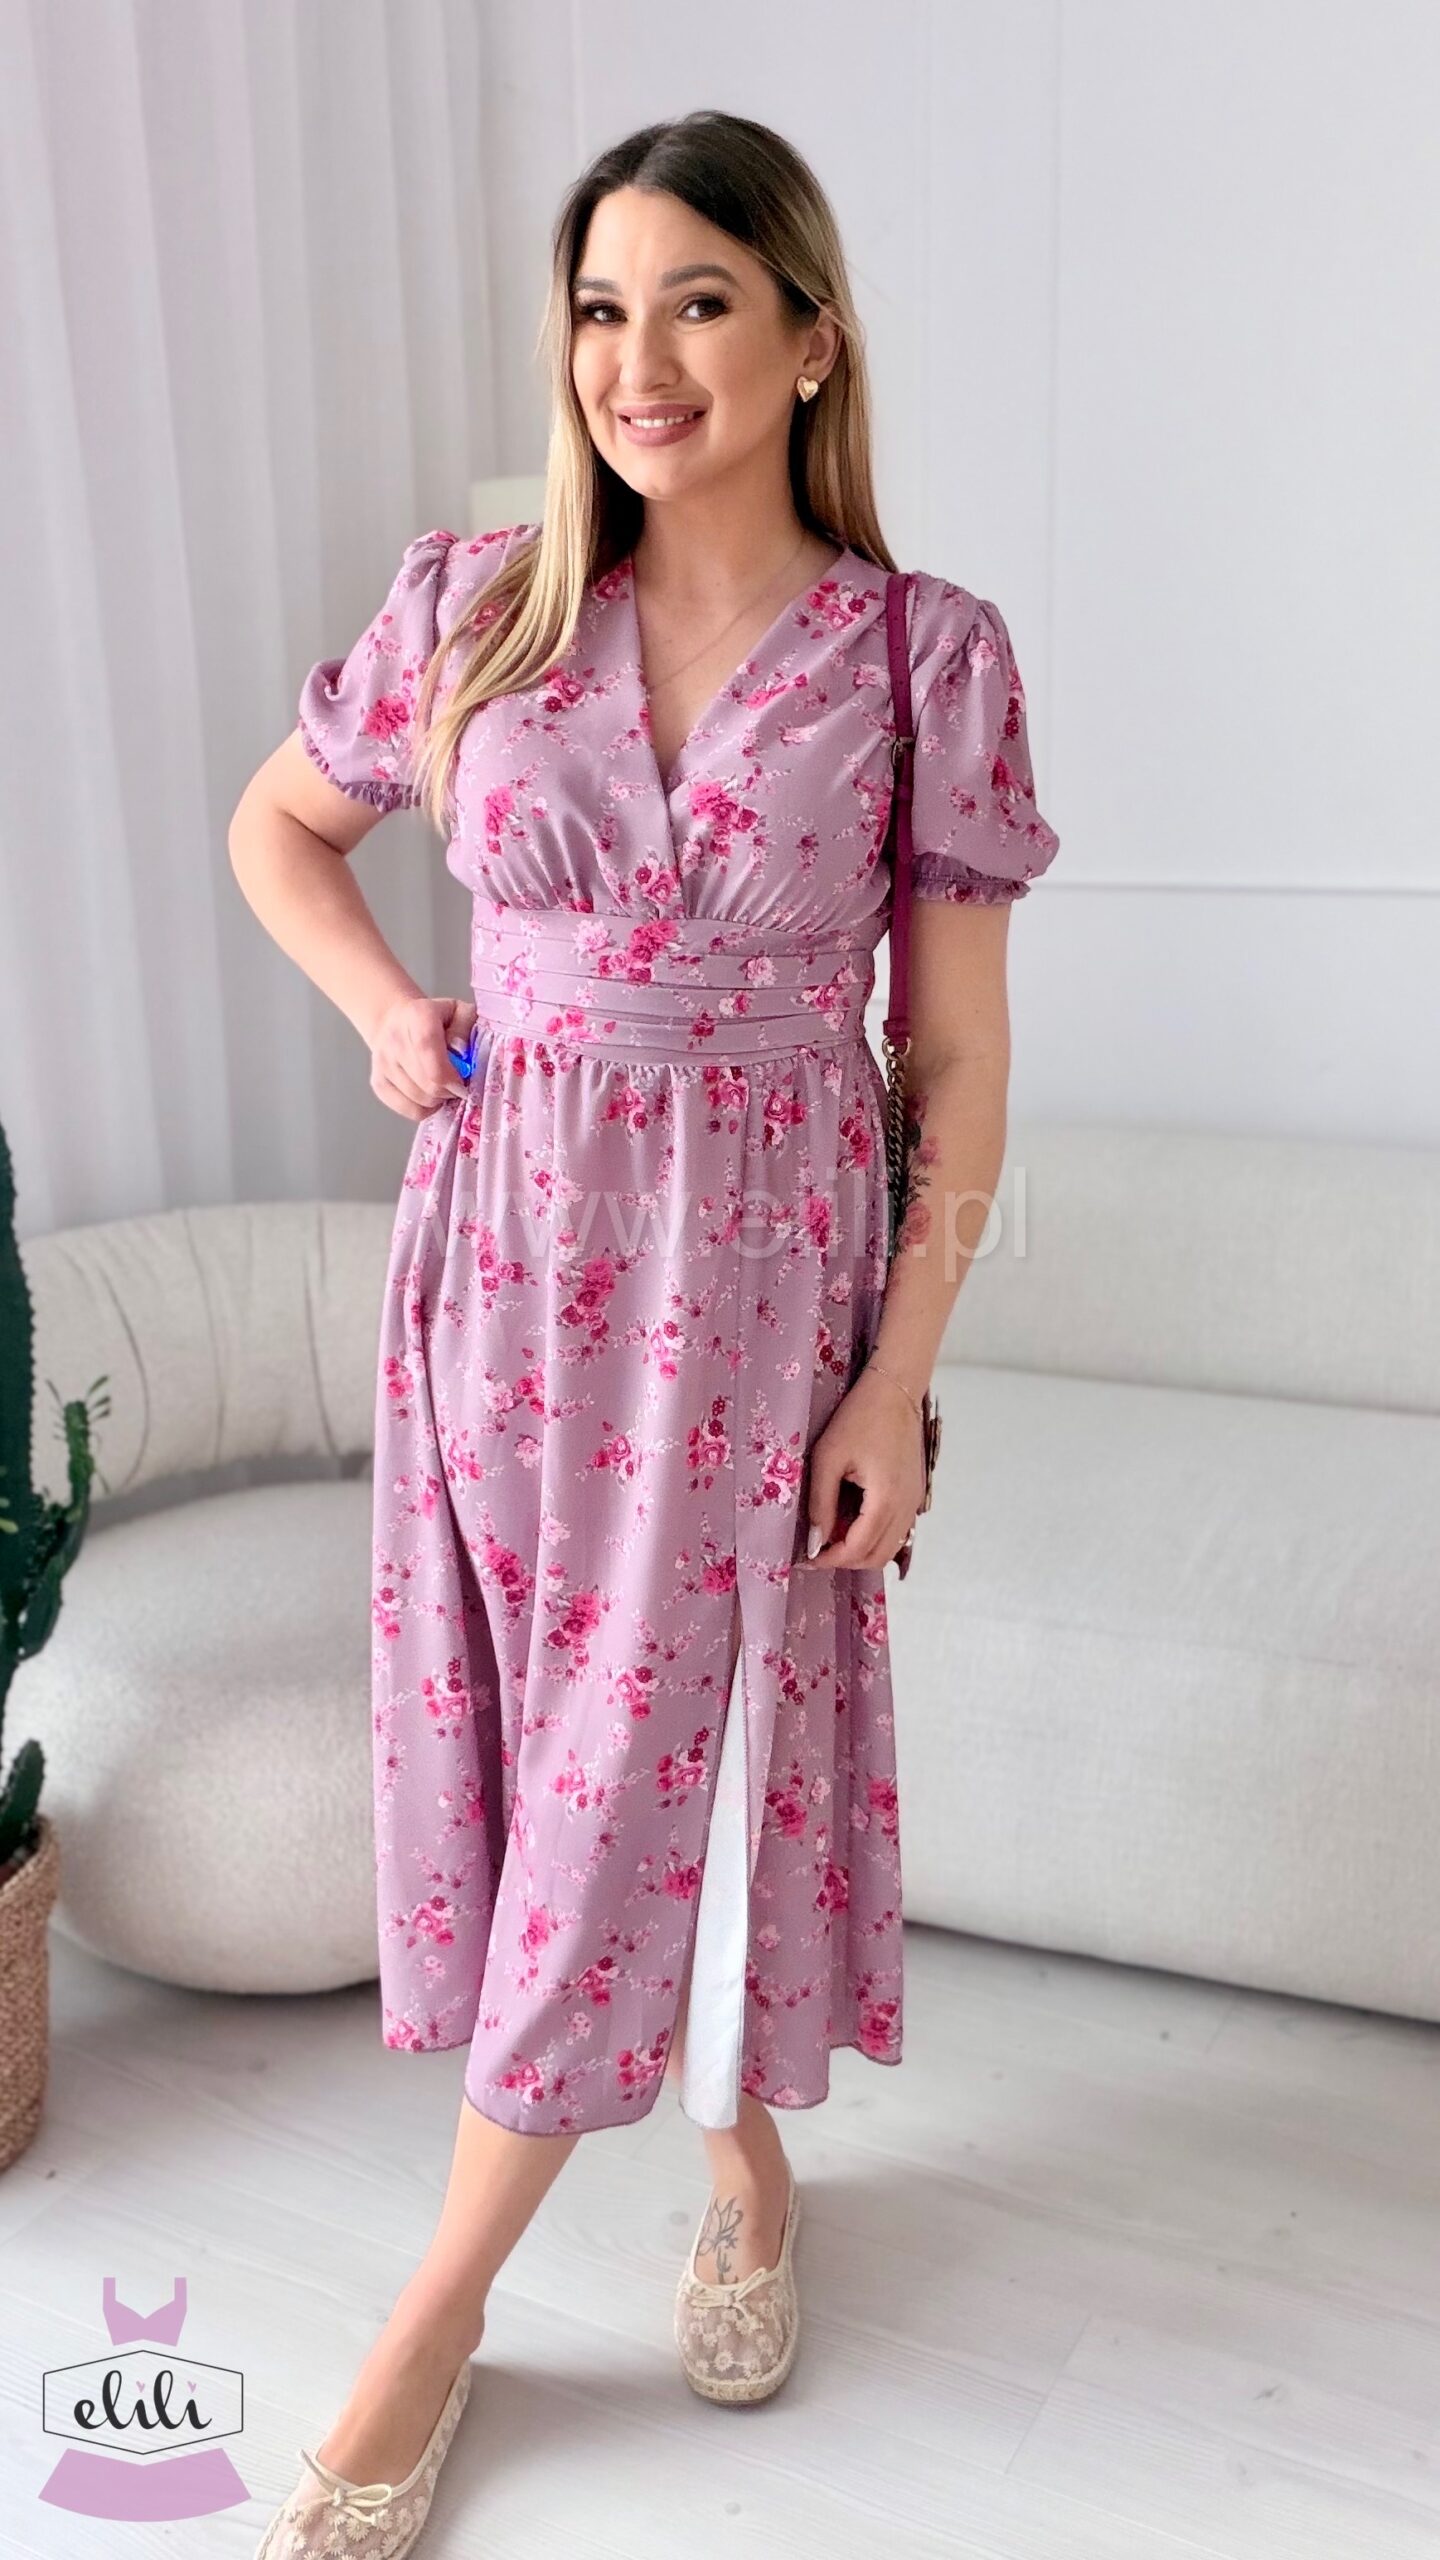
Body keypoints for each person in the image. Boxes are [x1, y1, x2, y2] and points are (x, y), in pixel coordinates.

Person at [230, 106, 1058, 2560]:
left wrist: (900, 1369)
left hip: (762, 1299)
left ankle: (435, 2313)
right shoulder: (479, 602)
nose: (640, 357)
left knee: (640, 1769)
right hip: (497, 1276)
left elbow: (958, 1059)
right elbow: (279, 827)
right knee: (565, 1760)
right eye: (604, 306)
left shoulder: (918, 656)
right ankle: (744, 2155)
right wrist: (390, 1007)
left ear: (810, 340)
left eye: (701, 299)